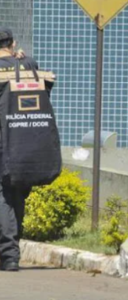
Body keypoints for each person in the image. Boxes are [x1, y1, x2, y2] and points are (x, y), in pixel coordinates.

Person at [0, 27, 39, 271]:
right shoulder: (27, 64)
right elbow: (44, 90)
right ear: (13, 43)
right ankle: (11, 252)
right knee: (17, 193)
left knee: (4, 196)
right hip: (24, 139)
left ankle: (8, 254)